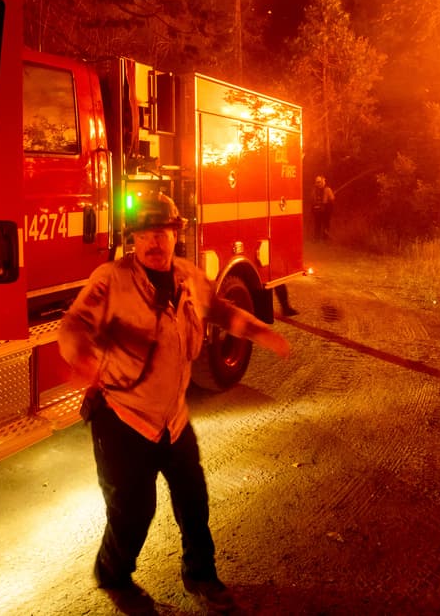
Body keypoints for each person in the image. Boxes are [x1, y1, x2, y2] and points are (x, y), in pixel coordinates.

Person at [59, 192, 291, 612]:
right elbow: (74, 324)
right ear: (133, 240)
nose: (153, 243)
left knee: (193, 499)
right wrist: (80, 354)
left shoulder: (188, 276)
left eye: (161, 232)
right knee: (132, 509)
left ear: (175, 235)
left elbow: (219, 311)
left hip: (173, 420)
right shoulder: (110, 279)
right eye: (144, 234)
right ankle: (112, 573)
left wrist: (261, 332)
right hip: (122, 419)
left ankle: (200, 574)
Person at [310, 174, 335, 242]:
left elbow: (332, 200)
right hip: (317, 210)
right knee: (317, 224)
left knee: (326, 224)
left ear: (322, 181)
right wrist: (313, 209)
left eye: (319, 182)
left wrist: (329, 211)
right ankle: (316, 238)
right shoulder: (314, 190)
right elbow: (312, 201)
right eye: (317, 182)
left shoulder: (328, 190)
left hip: (326, 210)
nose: (318, 183)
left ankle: (325, 239)